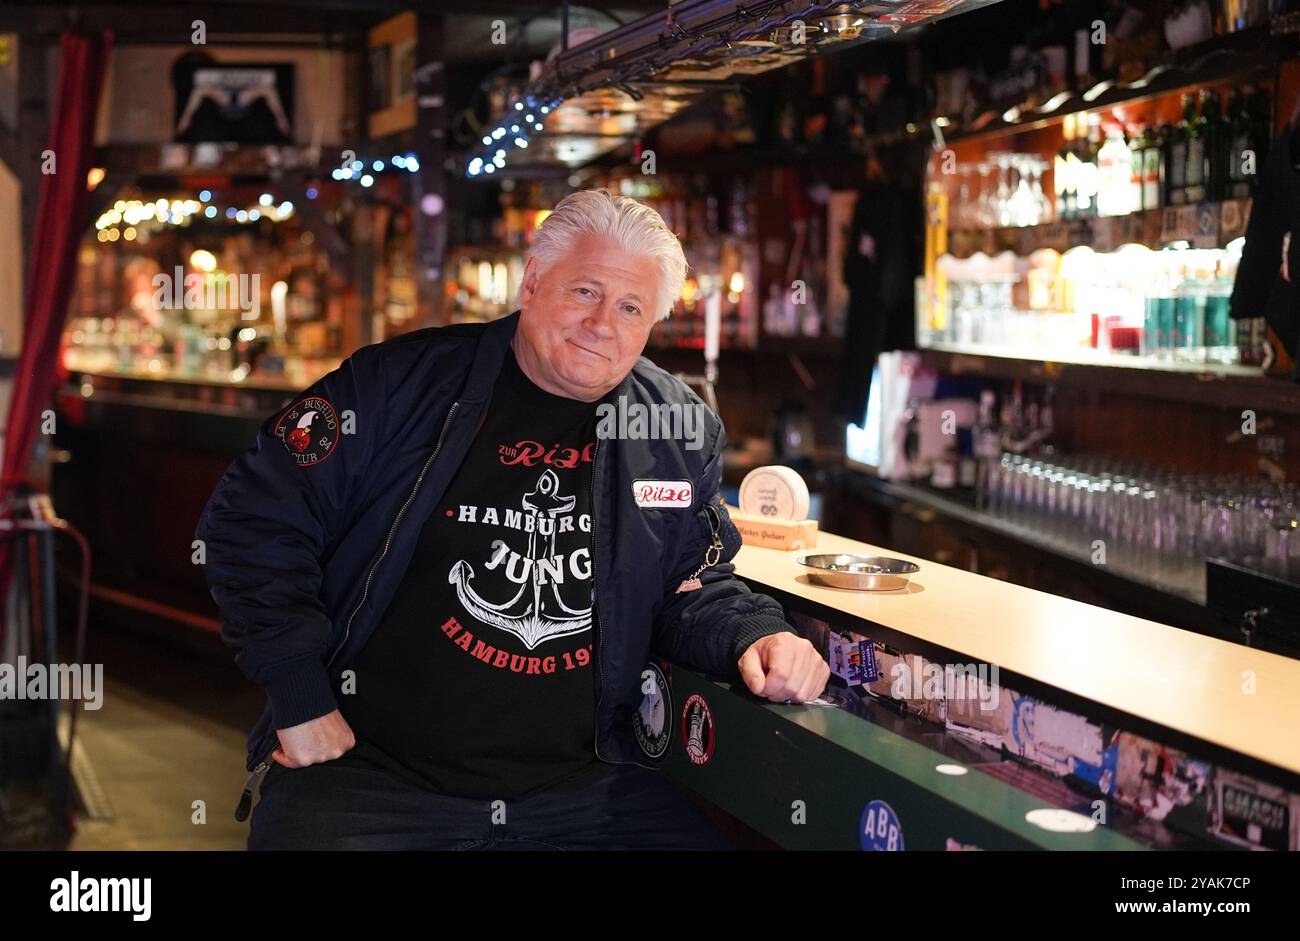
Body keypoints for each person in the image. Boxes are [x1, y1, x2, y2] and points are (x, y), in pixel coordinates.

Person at [197, 188, 829, 850]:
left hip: (580, 785)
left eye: (631, 306)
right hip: (376, 773)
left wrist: (756, 634)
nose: (602, 323)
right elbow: (251, 518)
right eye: (585, 291)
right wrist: (299, 693)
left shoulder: (673, 429)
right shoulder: (397, 386)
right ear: (532, 282)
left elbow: (692, 582)